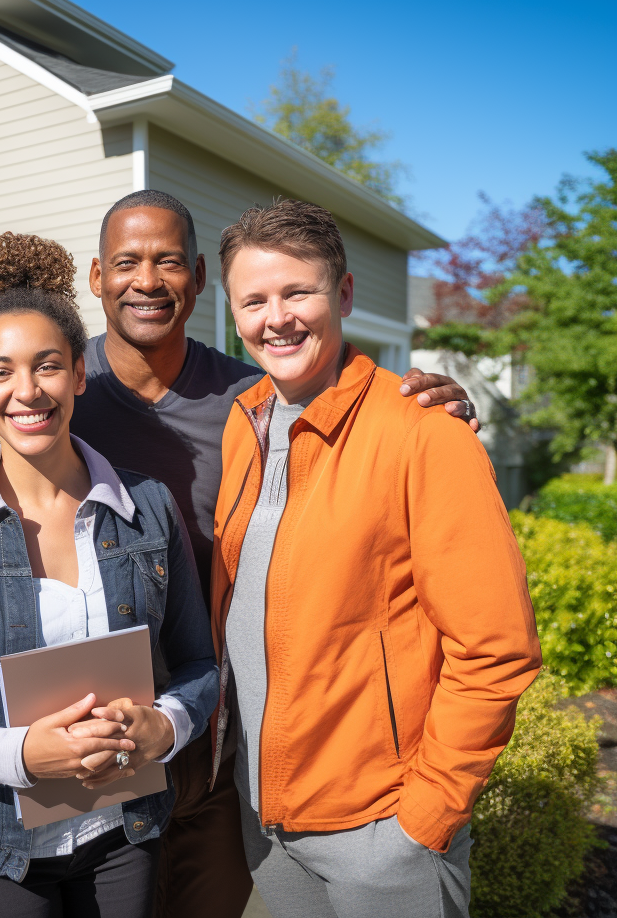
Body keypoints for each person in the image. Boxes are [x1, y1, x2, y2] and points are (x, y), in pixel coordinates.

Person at [73, 189, 479, 918]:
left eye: (168, 261)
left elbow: (489, 645)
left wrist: (429, 813)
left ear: (197, 280)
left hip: (236, 750)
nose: (147, 279)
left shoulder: (247, 399)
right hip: (100, 728)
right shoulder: (58, 395)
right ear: (96, 275)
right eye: (127, 262)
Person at [0, 233, 217, 918]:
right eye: (1, 372)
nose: (27, 391)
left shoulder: (148, 508)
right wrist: (20, 754)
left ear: (79, 374)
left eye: (48, 366)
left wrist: (166, 726)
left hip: (125, 832)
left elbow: (199, 664)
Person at [212, 198, 540, 917]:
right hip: (265, 818)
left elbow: (497, 648)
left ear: (345, 293)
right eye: (254, 300)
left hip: (381, 830)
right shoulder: (245, 423)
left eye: (299, 291)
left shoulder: (425, 433)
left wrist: (425, 817)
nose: (278, 318)